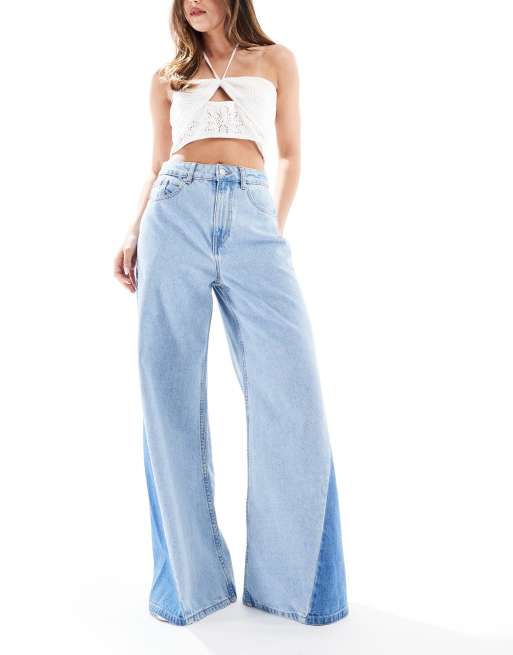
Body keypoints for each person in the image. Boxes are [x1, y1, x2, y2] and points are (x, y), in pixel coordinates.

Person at [113, 0, 349, 627]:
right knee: (168, 393)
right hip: (175, 215)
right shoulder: (167, 77)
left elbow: (291, 154)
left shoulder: (275, 60)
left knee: (292, 394)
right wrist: (134, 230)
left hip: (252, 218)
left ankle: (296, 589)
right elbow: (157, 164)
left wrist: (268, 228)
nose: (193, 1)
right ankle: (189, 590)